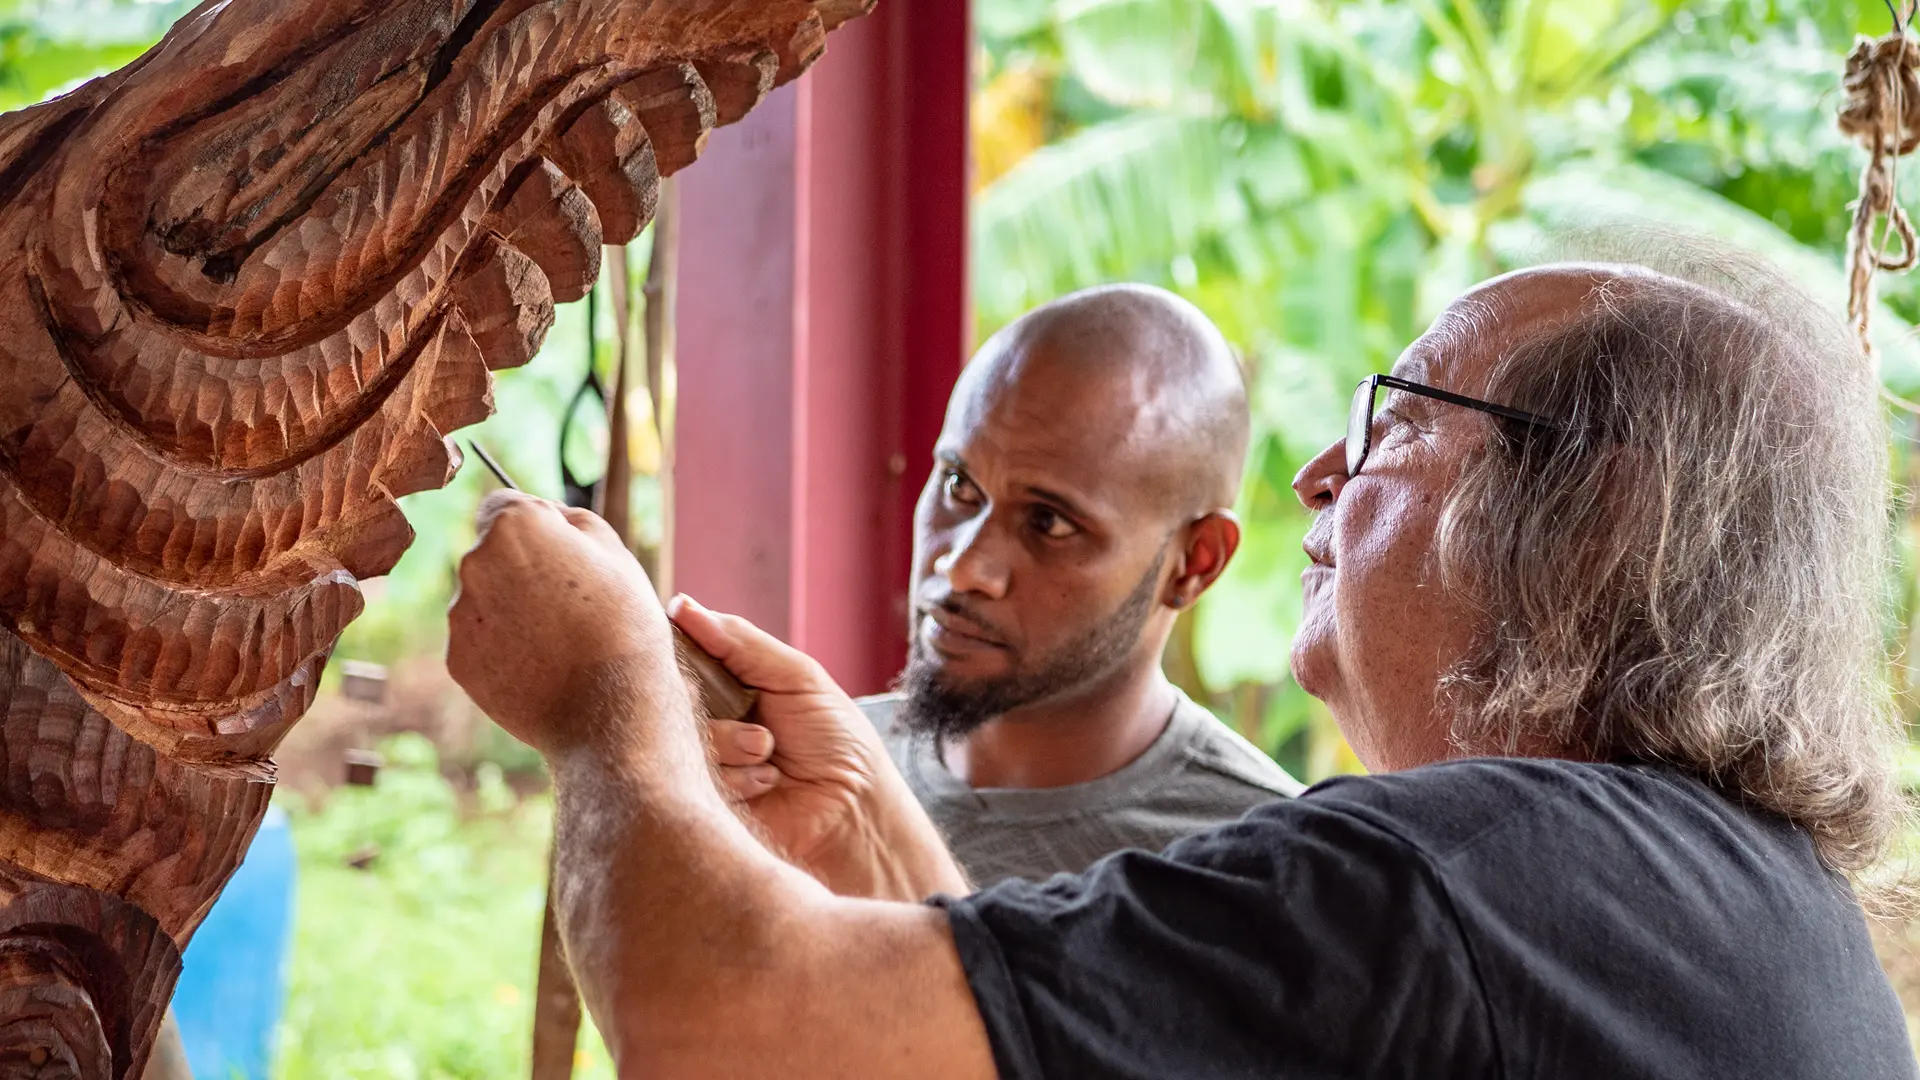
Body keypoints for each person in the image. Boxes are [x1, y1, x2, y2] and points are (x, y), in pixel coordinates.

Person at [447, 245, 1917, 1077]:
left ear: (1590, 517)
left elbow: (721, 1033)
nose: (1323, 473)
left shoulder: (1450, 880)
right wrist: (867, 834)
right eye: (957, 490)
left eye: (1398, 413)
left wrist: (599, 698)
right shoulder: (1745, 908)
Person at [715, 284, 1300, 886]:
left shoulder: (1267, 874)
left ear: (1194, 563)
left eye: (1049, 523)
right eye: (959, 488)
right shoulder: (780, 768)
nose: (963, 566)